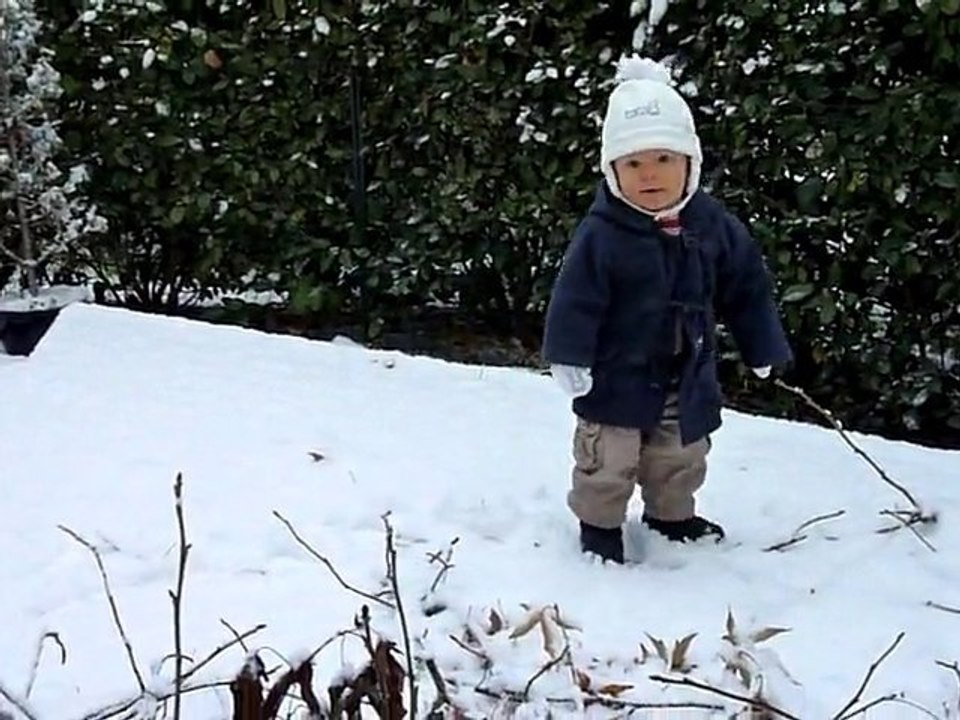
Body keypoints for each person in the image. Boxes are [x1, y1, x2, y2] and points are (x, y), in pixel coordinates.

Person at [541, 56, 793, 564]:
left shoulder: (712, 225)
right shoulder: (602, 234)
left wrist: (762, 343)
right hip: (615, 375)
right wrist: (569, 356)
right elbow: (575, 299)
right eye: (633, 164)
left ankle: (671, 515)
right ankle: (600, 526)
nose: (650, 174)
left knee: (679, 453)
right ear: (612, 171)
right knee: (608, 459)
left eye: (664, 159)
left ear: (690, 163)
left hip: (686, 371)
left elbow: (746, 287)